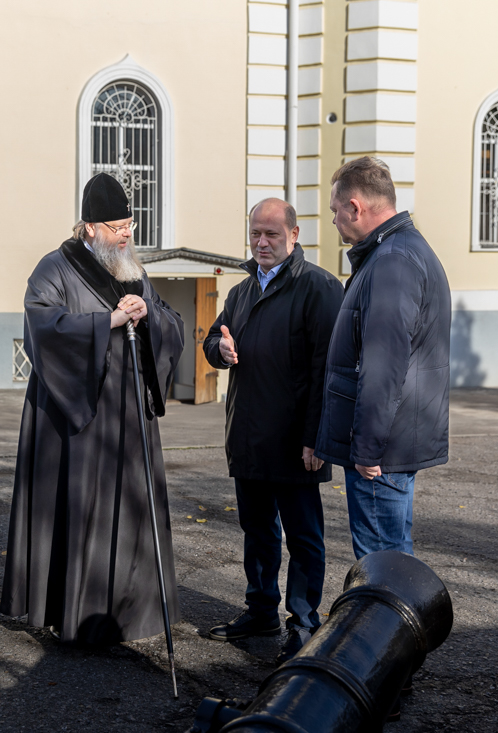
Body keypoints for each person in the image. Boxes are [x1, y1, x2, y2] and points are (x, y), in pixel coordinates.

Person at [0, 173, 186, 645]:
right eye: (116, 226)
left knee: (131, 513)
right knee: (81, 510)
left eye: (130, 225)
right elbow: (46, 327)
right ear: (89, 229)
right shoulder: (53, 268)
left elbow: (170, 322)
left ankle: (133, 613)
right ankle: (74, 613)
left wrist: (147, 317)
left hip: (128, 413)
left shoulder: (133, 271)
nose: (126, 234)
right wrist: (109, 321)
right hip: (77, 417)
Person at [202, 198, 343, 664]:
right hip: (249, 436)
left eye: (272, 235)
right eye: (256, 234)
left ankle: (303, 623)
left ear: (295, 235)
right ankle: (260, 610)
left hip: (295, 442)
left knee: (304, 538)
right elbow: (214, 338)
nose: (262, 243)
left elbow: (328, 369)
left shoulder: (319, 288)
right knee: (257, 530)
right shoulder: (241, 292)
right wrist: (217, 349)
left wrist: (318, 436)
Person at [316, 156, 451, 561]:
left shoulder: (392, 261)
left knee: (383, 568)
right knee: (392, 559)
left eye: (335, 211)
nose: (335, 221)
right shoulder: (394, 252)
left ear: (355, 207)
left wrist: (368, 449)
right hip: (390, 444)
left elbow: (384, 365)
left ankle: (391, 626)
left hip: (381, 452)